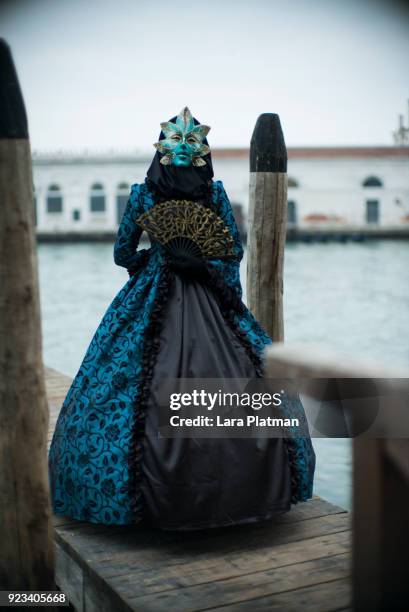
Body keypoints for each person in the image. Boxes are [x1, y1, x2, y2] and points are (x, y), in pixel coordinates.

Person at [48, 107, 315, 528]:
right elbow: (231, 253)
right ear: (203, 158)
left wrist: (154, 262)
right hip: (209, 290)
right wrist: (203, 268)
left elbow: (122, 254)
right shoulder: (216, 194)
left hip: (153, 291)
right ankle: (243, 492)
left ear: (160, 154)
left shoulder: (142, 194)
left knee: (120, 388)